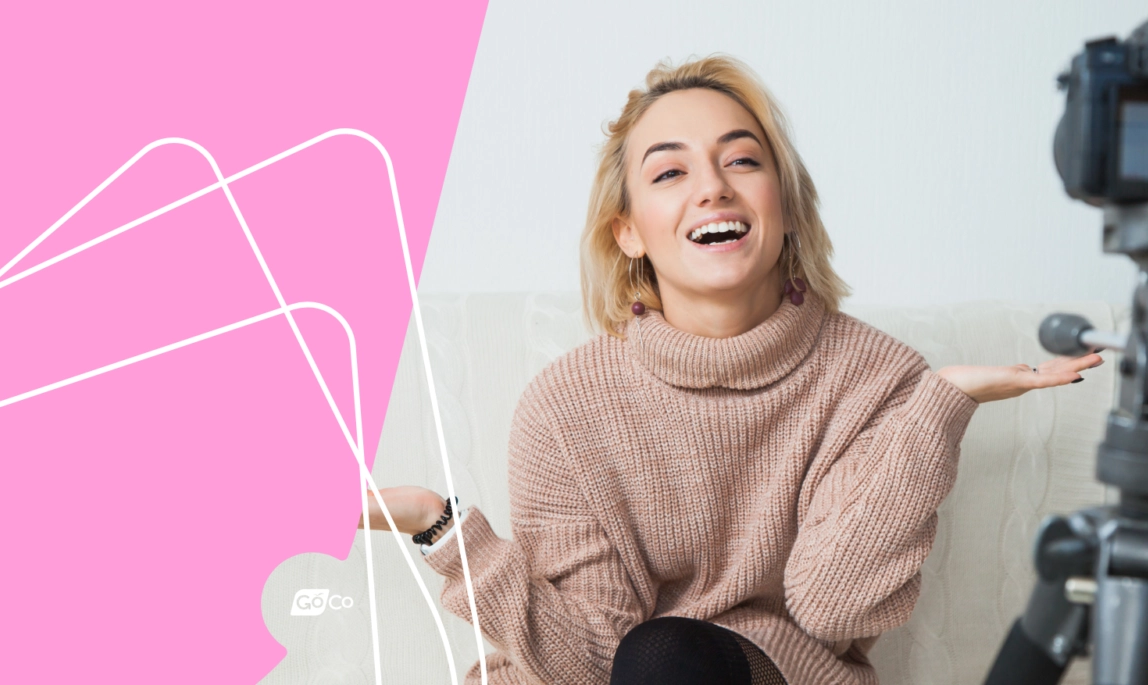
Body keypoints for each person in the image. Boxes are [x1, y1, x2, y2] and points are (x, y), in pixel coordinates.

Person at [359, 54, 1102, 685]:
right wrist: (442, 527)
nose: (712, 186)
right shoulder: (566, 406)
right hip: (630, 672)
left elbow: (834, 606)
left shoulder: (879, 381)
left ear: (784, 209)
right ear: (628, 233)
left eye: (742, 160)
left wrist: (938, 404)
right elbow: (587, 658)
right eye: (670, 172)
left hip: (773, 674)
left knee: (667, 653)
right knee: (650, 658)